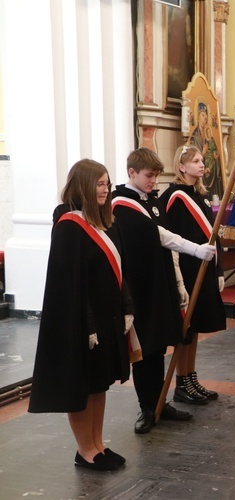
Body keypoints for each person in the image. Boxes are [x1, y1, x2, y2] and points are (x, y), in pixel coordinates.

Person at [28, 159, 131, 471]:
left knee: (100, 384)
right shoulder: (69, 227)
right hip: (83, 324)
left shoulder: (103, 222)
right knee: (84, 387)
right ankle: (85, 450)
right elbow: (69, 284)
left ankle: (98, 445)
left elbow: (120, 272)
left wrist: (127, 307)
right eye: (99, 184)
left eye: (107, 183)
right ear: (84, 185)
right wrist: (88, 325)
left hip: (107, 319)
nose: (105, 189)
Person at [112, 148, 217, 434]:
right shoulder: (122, 204)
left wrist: (179, 284)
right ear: (131, 173)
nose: (153, 181)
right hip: (140, 287)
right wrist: (195, 249)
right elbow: (161, 236)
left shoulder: (153, 202)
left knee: (159, 345)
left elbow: (167, 248)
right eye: (148, 175)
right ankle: (147, 407)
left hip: (161, 284)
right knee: (145, 348)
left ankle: (160, 401)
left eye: (157, 175)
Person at [160, 145, 227, 404]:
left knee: (196, 326)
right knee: (185, 328)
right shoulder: (175, 196)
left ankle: (191, 378)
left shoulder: (200, 194)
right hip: (187, 269)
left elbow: (211, 232)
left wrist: (218, 268)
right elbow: (172, 237)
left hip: (204, 266)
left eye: (202, 160)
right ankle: (181, 383)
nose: (202, 165)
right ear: (181, 166)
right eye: (196, 161)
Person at [189, 103, 222, 200]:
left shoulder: (209, 135)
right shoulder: (195, 136)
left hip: (210, 172)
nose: (205, 118)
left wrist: (216, 157)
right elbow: (192, 159)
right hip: (201, 176)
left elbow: (214, 152)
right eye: (203, 115)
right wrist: (203, 152)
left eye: (206, 116)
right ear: (197, 116)